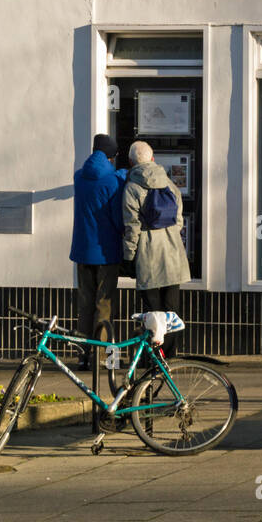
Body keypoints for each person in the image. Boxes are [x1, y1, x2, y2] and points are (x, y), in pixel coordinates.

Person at [70, 133, 128, 371]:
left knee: (85, 304)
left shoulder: (79, 177)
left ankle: (82, 355)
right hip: (105, 253)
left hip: (82, 251)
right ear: (112, 157)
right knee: (103, 304)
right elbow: (117, 218)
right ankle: (100, 356)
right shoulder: (113, 181)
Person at [121, 140, 189, 312]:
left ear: (130, 162)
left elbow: (132, 227)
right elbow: (178, 221)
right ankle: (173, 340)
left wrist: (128, 257)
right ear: (153, 158)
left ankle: (154, 340)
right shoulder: (169, 185)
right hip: (173, 254)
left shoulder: (131, 188)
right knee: (171, 314)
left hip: (147, 256)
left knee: (152, 315)